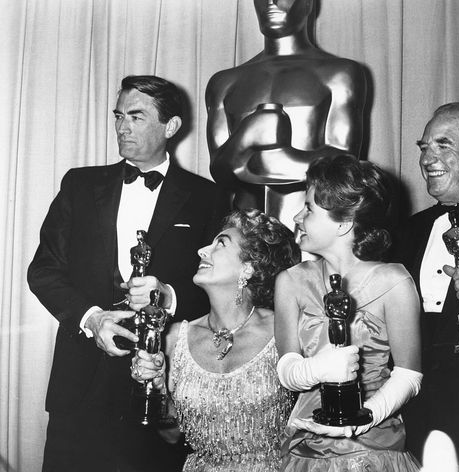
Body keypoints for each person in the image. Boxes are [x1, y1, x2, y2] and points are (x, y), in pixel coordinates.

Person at [27, 75, 228, 472]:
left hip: (164, 389)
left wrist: (169, 296)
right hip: (80, 386)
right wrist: (92, 317)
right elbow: (44, 269)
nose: (121, 127)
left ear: (170, 127)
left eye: (136, 116)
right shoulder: (79, 184)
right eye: (119, 115)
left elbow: (228, 289)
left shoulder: (209, 197)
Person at [274, 154, 423, 470]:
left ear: (343, 223)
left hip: (373, 448)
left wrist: (363, 418)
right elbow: (286, 369)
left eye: (310, 208)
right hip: (306, 448)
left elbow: (409, 375)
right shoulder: (290, 281)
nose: (298, 216)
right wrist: (316, 369)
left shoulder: (394, 281)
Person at [130, 209, 301, 471]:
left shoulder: (282, 328)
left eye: (220, 243)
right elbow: (171, 434)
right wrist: (157, 388)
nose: (202, 250)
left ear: (249, 267)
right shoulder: (176, 337)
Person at [206, 0, 366, 230]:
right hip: (246, 234)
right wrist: (246, 138)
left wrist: (264, 160)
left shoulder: (340, 73)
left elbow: (344, 163)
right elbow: (219, 171)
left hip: (312, 233)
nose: (271, 2)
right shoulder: (224, 82)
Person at [393, 102, 459, 472]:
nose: (428, 157)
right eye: (423, 147)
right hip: (415, 414)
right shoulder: (408, 230)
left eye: (443, 145)